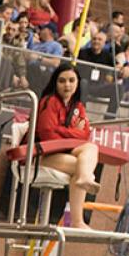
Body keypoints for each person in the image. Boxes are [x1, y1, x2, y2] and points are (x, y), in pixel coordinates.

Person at [33, 63, 100, 230]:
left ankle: (78, 218)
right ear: (55, 83)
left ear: (78, 83)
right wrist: (72, 131)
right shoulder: (48, 102)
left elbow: (85, 134)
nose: (67, 85)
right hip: (42, 155)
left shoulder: (78, 107)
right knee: (81, 166)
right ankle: (78, 218)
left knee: (91, 148)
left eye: (71, 80)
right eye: (62, 81)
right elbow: (48, 134)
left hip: (65, 153)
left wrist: (62, 131)